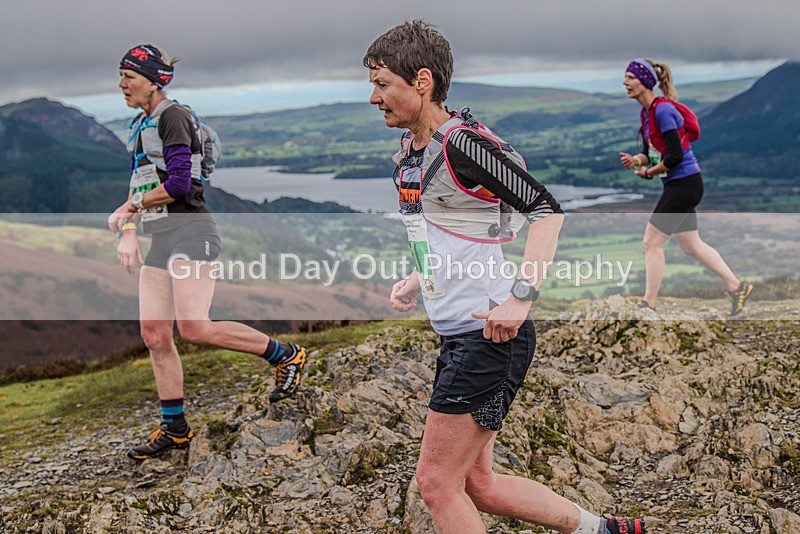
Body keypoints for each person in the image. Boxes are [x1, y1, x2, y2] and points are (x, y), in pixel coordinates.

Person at [365, 21, 646, 534]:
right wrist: (418, 277)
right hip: (466, 335)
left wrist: (521, 298)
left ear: (421, 80)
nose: (373, 97)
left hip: (490, 335)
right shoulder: (411, 153)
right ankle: (601, 529)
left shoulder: (463, 145)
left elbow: (546, 211)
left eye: (383, 84)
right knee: (479, 485)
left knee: (435, 484)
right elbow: (450, 233)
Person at [107, 44, 307, 461]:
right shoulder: (138, 124)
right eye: (121, 75)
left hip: (191, 231)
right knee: (154, 334)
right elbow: (138, 186)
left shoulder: (174, 117)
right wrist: (129, 229)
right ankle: (175, 428)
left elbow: (181, 185)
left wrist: (133, 209)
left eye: (130, 76)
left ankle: (285, 354)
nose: (122, 84)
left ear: (155, 80)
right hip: (161, 236)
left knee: (194, 327)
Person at [619, 58, 753, 315]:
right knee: (691, 245)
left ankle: (648, 304)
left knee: (651, 243)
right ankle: (737, 287)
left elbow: (675, 157)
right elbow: (655, 152)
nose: (625, 82)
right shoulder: (647, 113)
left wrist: (649, 172)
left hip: (684, 185)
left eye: (630, 77)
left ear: (646, 81)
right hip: (681, 184)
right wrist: (637, 160)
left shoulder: (663, 111)